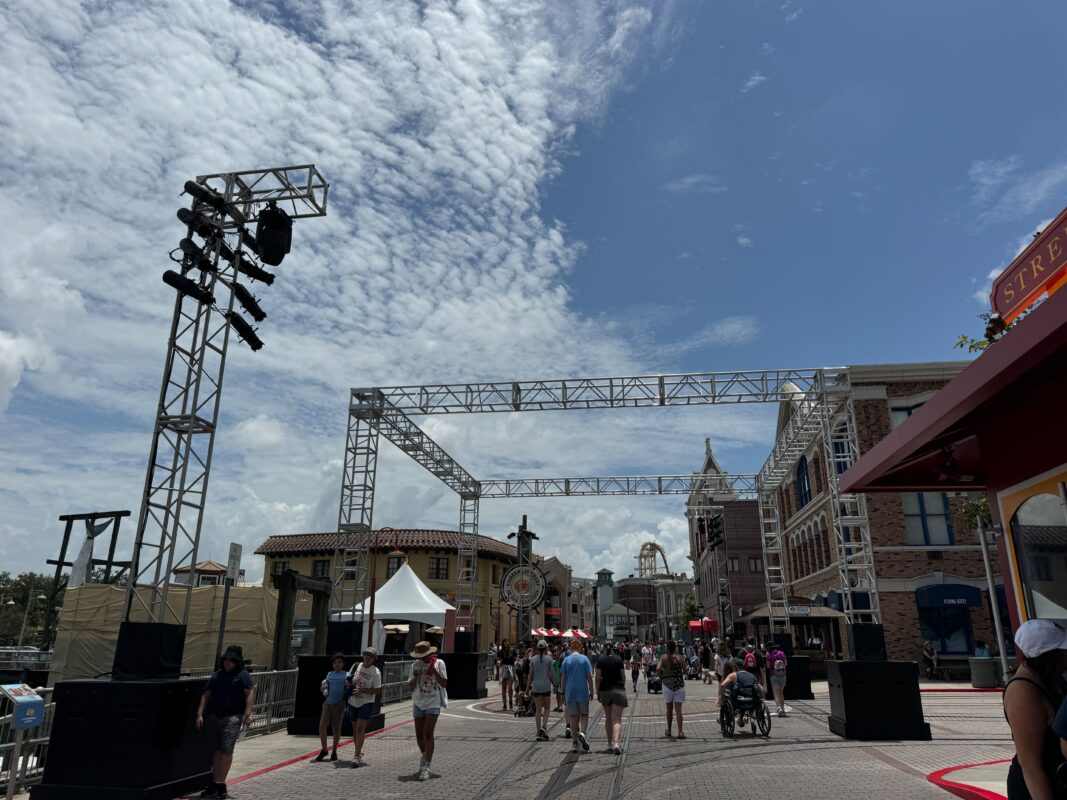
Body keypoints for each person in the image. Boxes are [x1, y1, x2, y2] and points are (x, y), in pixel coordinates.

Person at [1003, 619, 1067, 800]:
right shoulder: (1023, 691)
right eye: (1064, 651)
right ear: (1051, 655)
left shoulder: (1051, 677)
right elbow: (1030, 766)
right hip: (1040, 788)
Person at [195, 645, 253, 799]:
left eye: (231, 660)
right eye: (226, 659)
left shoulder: (243, 675)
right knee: (216, 751)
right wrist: (199, 713)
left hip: (233, 717)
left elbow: (249, 694)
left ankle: (221, 783)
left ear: (237, 662)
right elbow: (206, 694)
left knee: (227, 750)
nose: (228, 662)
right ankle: (215, 783)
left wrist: (248, 714)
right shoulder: (217, 675)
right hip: (214, 716)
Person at [408, 641, 448, 781]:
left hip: (433, 701)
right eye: (419, 655)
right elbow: (411, 686)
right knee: (419, 735)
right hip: (418, 701)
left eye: (424, 655)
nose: (421, 658)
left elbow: (444, 683)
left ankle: (427, 766)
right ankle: (425, 756)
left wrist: (433, 669)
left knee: (427, 732)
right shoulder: (415, 665)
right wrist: (416, 676)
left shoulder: (439, 663)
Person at [347, 647, 382, 767]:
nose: (367, 657)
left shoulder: (375, 671)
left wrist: (364, 690)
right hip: (353, 701)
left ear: (374, 659)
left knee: (360, 728)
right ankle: (359, 751)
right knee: (355, 728)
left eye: (370, 656)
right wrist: (350, 684)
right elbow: (348, 682)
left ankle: (356, 756)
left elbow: (377, 690)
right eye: (366, 654)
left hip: (366, 702)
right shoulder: (357, 666)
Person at [560, 637, 594, 753]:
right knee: (584, 714)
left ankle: (575, 743)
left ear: (570, 647)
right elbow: (589, 676)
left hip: (570, 692)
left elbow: (563, 678)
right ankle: (583, 733)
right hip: (582, 691)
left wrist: (562, 692)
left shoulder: (566, 660)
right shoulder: (584, 659)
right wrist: (592, 691)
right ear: (579, 648)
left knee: (573, 717)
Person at [595, 642, 628, 755]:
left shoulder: (600, 661)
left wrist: (597, 691)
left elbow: (598, 678)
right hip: (618, 690)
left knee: (608, 718)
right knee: (617, 719)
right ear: (613, 649)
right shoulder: (619, 660)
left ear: (604, 648)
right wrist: (622, 687)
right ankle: (617, 743)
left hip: (605, 690)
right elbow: (623, 677)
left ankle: (609, 743)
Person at [315, 654, 349, 762]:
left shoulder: (346, 675)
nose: (337, 664)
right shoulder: (330, 674)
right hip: (328, 703)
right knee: (322, 726)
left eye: (339, 662)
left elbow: (348, 689)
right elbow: (324, 685)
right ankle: (324, 749)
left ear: (343, 664)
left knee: (336, 728)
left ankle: (334, 751)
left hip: (339, 704)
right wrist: (323, 686)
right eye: (335, 662)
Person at [658, 641, 687, 739]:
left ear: (667, 648)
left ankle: (669, 730)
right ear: (675, 648)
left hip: (667, 684)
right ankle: (680, 732)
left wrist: (662, 674)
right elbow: (686, 671)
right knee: (679, 710)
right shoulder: (680, 657)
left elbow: (658, 668)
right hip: (679, 684)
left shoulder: (663, 657)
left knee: (669, 709)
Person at [527, 640, 555, 740]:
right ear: (546, 648)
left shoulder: (533, 659)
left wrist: (527, 688)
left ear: (538, 649)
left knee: (538, 710)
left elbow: (530, 675)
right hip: (546, 686)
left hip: (536, 687)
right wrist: (555, 685)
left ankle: (538, 732)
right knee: (547, 708)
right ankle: (544, 727)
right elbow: (551, 673)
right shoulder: (549, 659)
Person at [766, 642, 788, 717]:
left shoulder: (769, 655)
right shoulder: (781, 653)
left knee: (776, 693)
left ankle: (779, 708)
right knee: (781, 693)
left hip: (773, 675)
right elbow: (785, 664)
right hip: (783, 675)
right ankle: (783, 709)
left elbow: (768, 666)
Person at [498, 639, 515, 710]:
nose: (506, 643)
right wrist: (498, 662)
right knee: (503, 688)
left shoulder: (512, 651)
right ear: (503, 643)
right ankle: (504, 704)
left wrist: (516, 663)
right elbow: (498, 659)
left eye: (507, 641)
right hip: (503, 668)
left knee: (510, 687)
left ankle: (510, 701)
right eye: (505, 642)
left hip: (510, 668)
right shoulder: (500, 652)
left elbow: (515, 659)